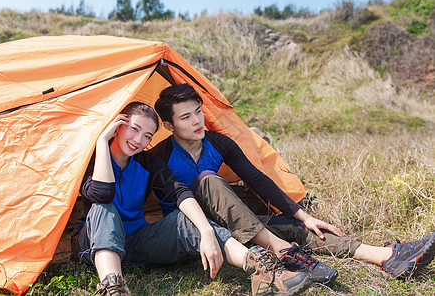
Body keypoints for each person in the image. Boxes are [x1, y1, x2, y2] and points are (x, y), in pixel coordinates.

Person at [150, 83, 435, 281]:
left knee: (294, 227)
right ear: (169, 126)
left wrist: (303, 214)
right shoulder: (158, 156)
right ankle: (279, 249)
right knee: (207, 180)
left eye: (198, 111)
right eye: (186, 117)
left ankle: (386, 256)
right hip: (196, 229)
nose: (197, 121)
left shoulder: (217, 141)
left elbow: (257, 179)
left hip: (232, 218)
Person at [71, 101, 314, 296]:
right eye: (134, 129)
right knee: (104, 207)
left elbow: (178, 192)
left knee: (186, 218)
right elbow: (102, 193)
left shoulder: (147, 162)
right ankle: (113, 288)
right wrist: (103, 140)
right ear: (118, 125)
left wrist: (206, 230)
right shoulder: (89, 159)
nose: (138, 140)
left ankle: (262, 271)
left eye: (147, 136)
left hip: (134, 244)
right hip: (94, 245)